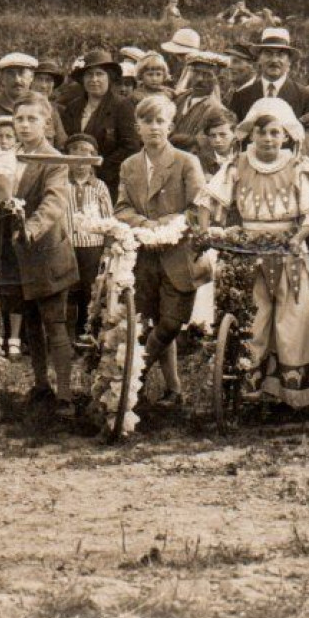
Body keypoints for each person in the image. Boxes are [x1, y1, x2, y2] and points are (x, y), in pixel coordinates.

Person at [196, 98, 309, 409]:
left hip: (289, 250)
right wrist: (208, 232)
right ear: (251, 135)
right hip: (249, 251)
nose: (268, 139)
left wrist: (299, 237)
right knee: (252, 318)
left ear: (285, 136)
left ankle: (292, 395)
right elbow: (208, 199)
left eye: (275, 133)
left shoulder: (297, 167)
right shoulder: (237, 164)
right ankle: (250, 390)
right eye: (262, 133)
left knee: (293, 318)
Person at [0, 94, 81, 415]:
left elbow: (55, 201)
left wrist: (32, 227)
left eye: (32, 119)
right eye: (19, 119)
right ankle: (41, 385)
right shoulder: (8, 157)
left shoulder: (54, 159)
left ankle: (66, 395)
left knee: (55, 324)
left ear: (47, 124)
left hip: (46, 254)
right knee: (29, 324)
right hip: (14, 257)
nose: (24, 126)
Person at [115, 95, 207, 406]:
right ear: (137, 126)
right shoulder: (129, 166)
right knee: (148, 320)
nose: (154, 128)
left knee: (171, 322)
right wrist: (146, 224)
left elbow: (199, 208)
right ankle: (173, 390)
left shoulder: (185, 162)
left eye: (160, 121)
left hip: (179, 254)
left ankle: (133, 377)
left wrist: (175, 222)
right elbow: (122, 209)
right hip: (143, 256)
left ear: (170, 125)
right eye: (147, 121)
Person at [60, 49, 139, 198]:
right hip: (73, 178)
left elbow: (130, 146)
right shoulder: (73, 107)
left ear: (109, 78)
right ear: (83, 79)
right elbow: (65, 141)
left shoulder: (122, 106)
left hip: (109, 181)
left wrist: (98, 167)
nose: (94, 79)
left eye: (99, 74)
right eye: (89, 74)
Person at [65, 132, 113, 351]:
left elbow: (108, 218)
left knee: (89, 291)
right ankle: (65, 337)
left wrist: (107, 246)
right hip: (66, 246)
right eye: (75, 159)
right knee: (68, 290)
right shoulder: (62, 185)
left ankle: (86, 335)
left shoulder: (99, 187)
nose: (81, 165)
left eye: (86, 159)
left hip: (92, 248)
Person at [0, 53, 68, 149]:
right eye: (11, 74)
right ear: (2, 79)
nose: (17, 80)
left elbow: (62, 148)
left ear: (31, 78)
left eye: (22, 73)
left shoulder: (48, 110)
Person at [228, 27, 309, 120]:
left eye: (280, 55)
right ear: (259, 58)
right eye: (268, 54)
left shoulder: (305, 97)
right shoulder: (241, 97)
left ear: (289, 61)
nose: (274, 60)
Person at [170, 51, 229, 152]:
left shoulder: (217, 110)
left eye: (207, 75)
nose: (200, 79)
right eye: (196, 72)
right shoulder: (178, 99)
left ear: (216, 79)